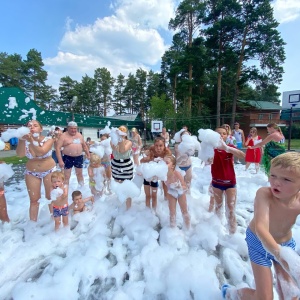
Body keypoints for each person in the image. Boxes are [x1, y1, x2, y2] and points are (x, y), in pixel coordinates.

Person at [222, 152, 300, 300]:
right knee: (264, 297)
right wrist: (278, 254)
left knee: (292, 295)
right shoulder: (265, 194)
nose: (276, 182)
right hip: (259, 243)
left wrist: (285, 255)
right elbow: (261, 227)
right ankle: (232, 293)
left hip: (286, 245)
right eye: (273, 175)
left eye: (286, 179)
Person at [16, 120, 56, 221]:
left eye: (35, 125)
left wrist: (31, 140)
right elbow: (20, 154)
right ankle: (32, 226)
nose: (32, 127)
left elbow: (41, 152)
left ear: (41, 129)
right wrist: (21, 140)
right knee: (34, 200)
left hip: (49, 170)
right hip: (31, 172)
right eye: (29, 126)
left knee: (50, 197)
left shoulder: (49, 139)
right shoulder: (24, 141)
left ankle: (54, 221)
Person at [209, 127, 245, 234]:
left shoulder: (229, 147)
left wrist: (227, 148)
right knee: (218, 208)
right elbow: (204, 159)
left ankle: (232, 234)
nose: (221, 135)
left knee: (231, 209)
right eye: (219, 133)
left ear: (226, 136)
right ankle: (218, 232)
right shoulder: (211, 149)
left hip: (230, 183)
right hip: (216, 182)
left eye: (224, 134)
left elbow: (243, 155)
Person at [140, 136, 172, 209]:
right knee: (148, 196)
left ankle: (166, 200)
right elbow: (141, 161)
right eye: (156, 146)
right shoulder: (151, 149)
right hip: (151, 175)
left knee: (165, 184)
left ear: (164, 146)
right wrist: (147, 159)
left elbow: (170, 164)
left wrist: (165, 164)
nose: (158, 148)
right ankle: (147, 211)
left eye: (161, 146)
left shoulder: (167, 152)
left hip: (162, 171)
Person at [55, 121, 90, 186]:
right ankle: (66, 190)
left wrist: (88, 154)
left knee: (79, 174)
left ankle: (82, 187)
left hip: (79, 157)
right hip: (68, 157)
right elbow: (57, 148)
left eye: (75, 128)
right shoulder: (63, 136)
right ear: (68, 128)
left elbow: (84, 146)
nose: (73, 130)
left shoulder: (79, 135)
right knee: (66, 176)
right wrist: (60, 161)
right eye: (71, 128)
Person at [164, 155, 190, 229]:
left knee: (184, 211)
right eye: (163, 163)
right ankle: (173, 229)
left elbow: (185, 187)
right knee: (172, 213)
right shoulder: (163, 174)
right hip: (171, 193)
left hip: (180, 193)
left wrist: (179, 186)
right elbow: (153, 177)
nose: (163, 165)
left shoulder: (176, 174)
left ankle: (188, 229)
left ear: (172, 166)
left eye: (166, 163)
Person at [111, 126, 134, 210]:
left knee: (127, 185)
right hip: (116, 164)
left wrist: (120, 139)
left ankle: (128, 208)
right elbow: (116, 149)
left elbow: (122, 150)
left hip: (126, 164)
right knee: (118, 185)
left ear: (126, 133)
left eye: (123, 131)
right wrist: (118, 139)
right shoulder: (112, 141)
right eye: (120, 130)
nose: (121, 132)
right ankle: (120, 205)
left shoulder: (129, 142)